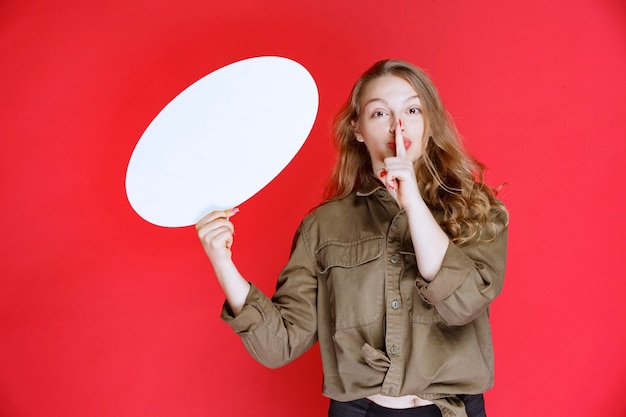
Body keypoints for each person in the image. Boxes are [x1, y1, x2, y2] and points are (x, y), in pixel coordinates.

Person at [196, 59, 509, 417]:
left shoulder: (477, 209)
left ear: (429, 123)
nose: (398, 124)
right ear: (357, 128)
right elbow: (279, 344)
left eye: (412, 109)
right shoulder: (323, 226)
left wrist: (413, 204)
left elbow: (464, 303)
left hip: (452, 410)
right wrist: (222, 261)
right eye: (379, 113)